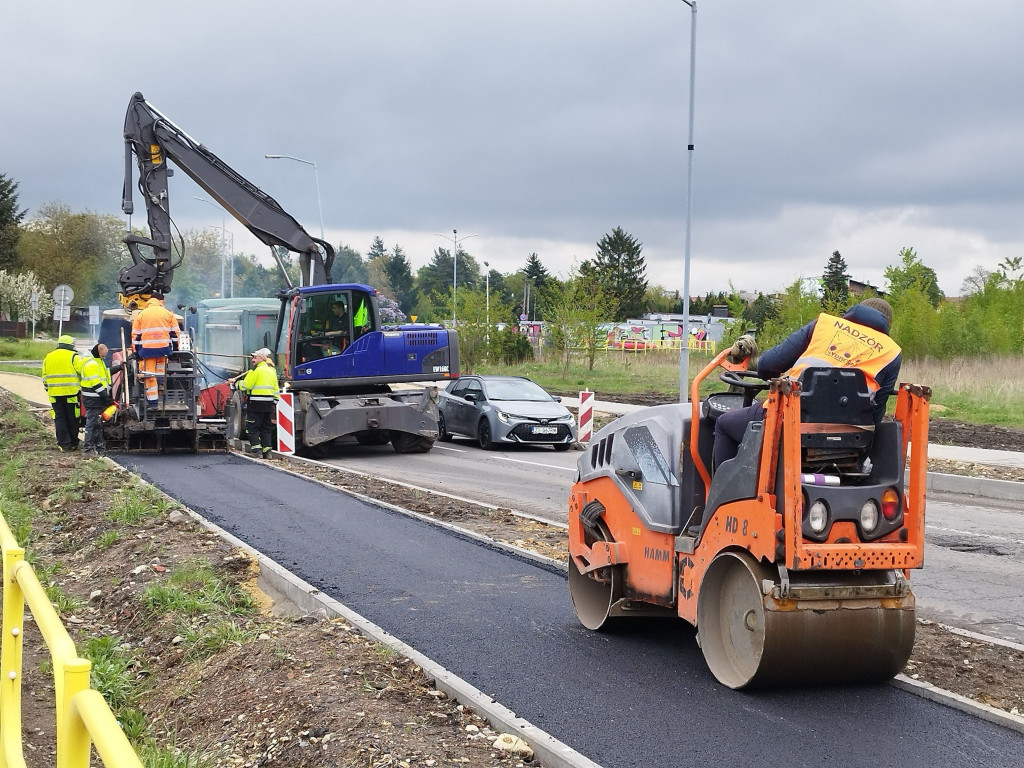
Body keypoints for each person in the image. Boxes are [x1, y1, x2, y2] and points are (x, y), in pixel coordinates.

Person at [713, 297, 901, 471]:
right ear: (886, 325)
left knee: (724, 424)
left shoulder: (825, 324)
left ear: (856, 311)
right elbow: (876, 414)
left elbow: (768, 365)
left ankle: (721, 496)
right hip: (849, 443)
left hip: (788, 422)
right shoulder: (891, 351)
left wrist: (769, 374)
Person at [229, 348, 280, 459]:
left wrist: (234, 383)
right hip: (268, 406)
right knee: (266, 428)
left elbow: (246, 385)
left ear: (262, 358)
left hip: (255, 405)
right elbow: (276, 389)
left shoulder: (255, 371)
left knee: (252, 428)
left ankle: (257, 451)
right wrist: (274, 402)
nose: (252, 359)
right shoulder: (272, 371)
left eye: (255, 357)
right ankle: (268, 452)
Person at [131, 292, 178, 407]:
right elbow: (175, 334)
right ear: (160, 301)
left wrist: (136, 351)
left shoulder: (141, 315)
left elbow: (135, 335)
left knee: (150, 374)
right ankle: (161, 385)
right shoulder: (168, 314)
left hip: (147, 350)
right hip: (163, 349)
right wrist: (175, 349)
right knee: (161, 368)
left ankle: (152, 401)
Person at [41, 335, 83, 451]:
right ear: (71, 345)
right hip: (71, 394)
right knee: (73, 419)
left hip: (54, 395)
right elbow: (82, 372)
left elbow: (44, 377)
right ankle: (73, 443)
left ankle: (63, 444)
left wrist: (48, 389)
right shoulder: (74, 356)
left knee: (59, 419)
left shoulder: (48, 357)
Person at [80, 343, 114, 455]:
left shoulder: (98, 362)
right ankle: (88, 449)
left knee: (97, 423)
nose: (104, 358)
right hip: (92, 399)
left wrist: (118, 368)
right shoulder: (91, 364)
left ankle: (99, 447)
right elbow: (96, 384)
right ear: (98, 352)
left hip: (96, 399)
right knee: (91, 423)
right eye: (103, 356)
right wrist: (106, 398)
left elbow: (105, 374)